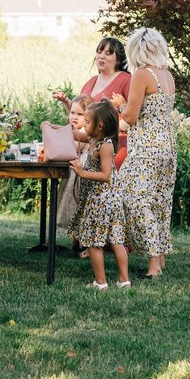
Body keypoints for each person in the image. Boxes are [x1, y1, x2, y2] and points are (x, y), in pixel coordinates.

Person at [111, 27, 177, 278]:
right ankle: (159, 258)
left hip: (146, 147)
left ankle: (153, 264)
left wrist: (119, 107)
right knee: (160, 201)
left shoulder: (141, 74)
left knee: (136, 198)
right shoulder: (167, 75)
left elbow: (131, 116)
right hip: (167, 146)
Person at [70, 102, 132, 290]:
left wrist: (82, 173)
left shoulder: (105, 146)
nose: (83, 125)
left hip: (101, 200)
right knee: (116, 240)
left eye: (87, 121)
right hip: (110, 201)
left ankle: (101, 282)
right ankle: (123, 281)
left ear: (100, 125)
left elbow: (106, 175)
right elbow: (77, 134)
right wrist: (57, 129)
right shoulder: (94, 140)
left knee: (94, 243)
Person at [53, 36, 131, 165]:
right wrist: (67, 103)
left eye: (108, 53)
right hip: (85, 145)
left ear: (118, 59)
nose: (101, 56)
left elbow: (133, 117)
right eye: (99, 52)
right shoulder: (90, 82)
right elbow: (80, 115)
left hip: (111, 149)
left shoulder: (126, 80)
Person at [49, 94, 94, 258]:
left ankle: (89, 245)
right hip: (73, 176)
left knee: (82, 208)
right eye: (72, 113)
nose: (74, 117)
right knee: (74, 207)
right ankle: (79, 242)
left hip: (82, 177)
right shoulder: (76, 130)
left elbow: (71, 145)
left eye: (79, 114)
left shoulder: (85, 132)